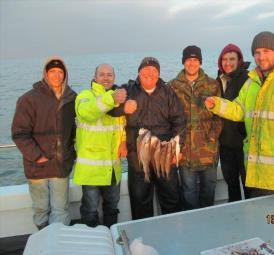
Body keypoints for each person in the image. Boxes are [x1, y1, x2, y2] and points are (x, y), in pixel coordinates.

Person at [205, 31, 274, 198]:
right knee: (258, 214)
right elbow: (238, 109)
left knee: (273, 217)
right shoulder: (252, 83)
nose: (261, 57)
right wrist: (216, 104)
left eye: (266, 51)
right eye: (257, 52)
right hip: (254, 167)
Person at [12, 57, 76, 230]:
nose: (57, 75)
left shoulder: (72, 98)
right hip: (37, 167)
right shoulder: (29, 99)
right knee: (41, 210)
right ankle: (44, 242)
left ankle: (58, 243)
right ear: (45, 74)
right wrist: (37, 156)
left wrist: (72, 155)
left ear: (65, 74)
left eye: (60, 72)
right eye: (52, 71)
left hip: (61, 166)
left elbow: (75, 131)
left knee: (61, 210)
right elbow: (19, 133)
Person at [122, 57, 186, 220]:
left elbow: (179, 120)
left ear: (158, 74)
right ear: (139, 72)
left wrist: (178, 148)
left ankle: (174, 233)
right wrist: (122, 106)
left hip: (164, 150)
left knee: (171, 195)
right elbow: (111, 111)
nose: (150, 74)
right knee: (140, 198)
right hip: (138, 153)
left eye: (154, 71)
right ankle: (142, 239)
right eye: (146, 70)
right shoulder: (128, 90)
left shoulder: (167, 92)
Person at [73, 64, 127, 227]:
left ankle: (112, 240)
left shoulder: (117, 98)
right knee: (90, 210)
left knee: (111, 208)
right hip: (92, 169)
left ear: (114, 77)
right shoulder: (85, 95)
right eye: (101, 74)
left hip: (113, 167)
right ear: (95, 77)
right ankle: (92, 245)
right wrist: (111, 99)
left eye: (109, 74)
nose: (105, 78)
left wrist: (123, 141)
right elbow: (87, 111)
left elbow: (121, 125)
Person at [169, 46, 222, 210]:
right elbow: (168, 117)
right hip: (185, 151)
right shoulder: (172, 86)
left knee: (209, 189)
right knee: (188, 192)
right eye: (188, 59)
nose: (192, 63)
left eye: (195, 60)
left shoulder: (212, 85)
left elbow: (220, 115)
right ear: (184, 62)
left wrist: (212, 137)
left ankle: (207, 222)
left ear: (200, 62)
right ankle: (192, 225)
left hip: (208, 150)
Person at [216, 44, 250, 201]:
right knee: (232, 185)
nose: (227, 63)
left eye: (232, 59)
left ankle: (252, 221)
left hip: (244, 143)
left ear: (239, 60)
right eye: (224, 59)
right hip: (225, 144)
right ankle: (236, 219)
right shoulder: (218, 81)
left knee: (248, 185)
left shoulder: (248, 80)